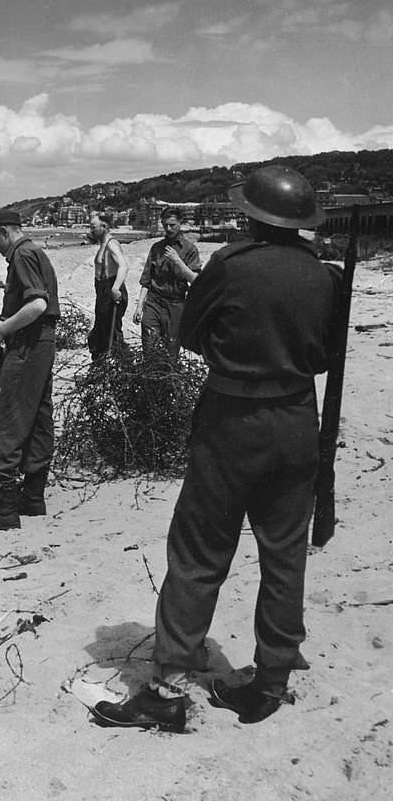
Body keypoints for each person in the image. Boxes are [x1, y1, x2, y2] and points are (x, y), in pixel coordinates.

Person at [92, 166, 341, 733]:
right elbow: (327, 353)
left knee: (200, 553)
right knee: (284, 554)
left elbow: (191, 335)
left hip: (232, 418)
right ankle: (272, 677)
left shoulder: (232, 264)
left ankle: (165, 687)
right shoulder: (324, 275)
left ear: (253, 215)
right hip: (299, 418)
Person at [0, 209, 60, 532]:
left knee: (6, 420)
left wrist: (0, 331)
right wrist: (10, 287)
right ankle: (32, 497)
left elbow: (38, 305)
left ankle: (2, 509)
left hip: (29, 343)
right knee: (37, 418)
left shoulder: (22, 255)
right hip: (42, 344)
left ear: (4, 232)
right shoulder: (34, 253)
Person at [132, 207, 201, 359]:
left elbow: (196, 281)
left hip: (176, 305)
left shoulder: (190, 249)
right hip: (154, 303)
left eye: (172, 225)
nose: (168, 229)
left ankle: (168, 381)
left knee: (172, 350)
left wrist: (178, 261)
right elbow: (146, 281)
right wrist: (139, 307)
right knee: (149, 347)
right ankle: (151, 380)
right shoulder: (156, 248)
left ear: (180, 224)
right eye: (165, 225)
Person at [86, 213, 128, 360]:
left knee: (112, 333)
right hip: (102, 293)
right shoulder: (103, 243)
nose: (91, 231)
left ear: (104, 227)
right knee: (100, 333)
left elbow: (123, 266)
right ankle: (101, 366)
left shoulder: (111, 244)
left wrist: (115, 288)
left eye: (93, 227)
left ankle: (121, 366)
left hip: (110, 291)